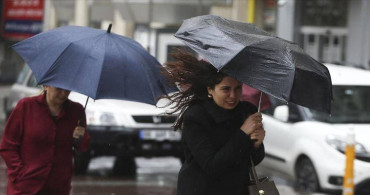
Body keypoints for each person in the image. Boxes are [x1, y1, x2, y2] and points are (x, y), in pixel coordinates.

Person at [161, 50, 266, 195]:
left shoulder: (247, 112)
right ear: (210, 89)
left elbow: (250, 161)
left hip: (238, 189)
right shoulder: (196, 116)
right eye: (226, 89)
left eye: (238, 88)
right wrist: (243, 132)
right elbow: (212, 166)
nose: (233, 95)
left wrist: (257, 144)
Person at [0, 86, 90, 195]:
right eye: (58, 89)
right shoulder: (26, 106)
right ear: (46, 86)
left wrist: (81, 137)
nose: (63, 94)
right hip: (25, 186)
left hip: (58, 186)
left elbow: (83, 146)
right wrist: (19, 173)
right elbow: (8, 145)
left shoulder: (77, 111)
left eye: (67, 89)